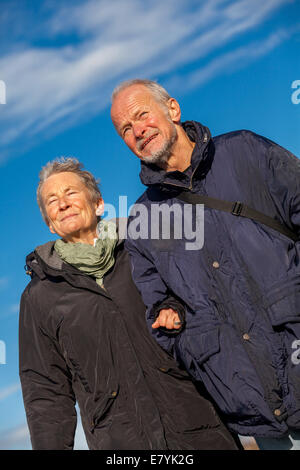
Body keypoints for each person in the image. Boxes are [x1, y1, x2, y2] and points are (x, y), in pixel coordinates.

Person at [110, 79, 300, 450]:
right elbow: (159, 306)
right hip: (255, 410)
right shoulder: (142, 221)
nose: (137, 131)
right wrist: (171, 316)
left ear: (173, 110)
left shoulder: (245, 151)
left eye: (141, 115)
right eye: (125, 130)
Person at [19, 157, 239, 450]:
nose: (62, 203)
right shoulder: (40, 296)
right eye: (52, 200)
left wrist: (178, 312)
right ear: (50, 224)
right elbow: (45, 391)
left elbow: (205, 303)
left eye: (71, 193)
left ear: (98, 204)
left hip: (199, 428)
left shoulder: (145, 248)